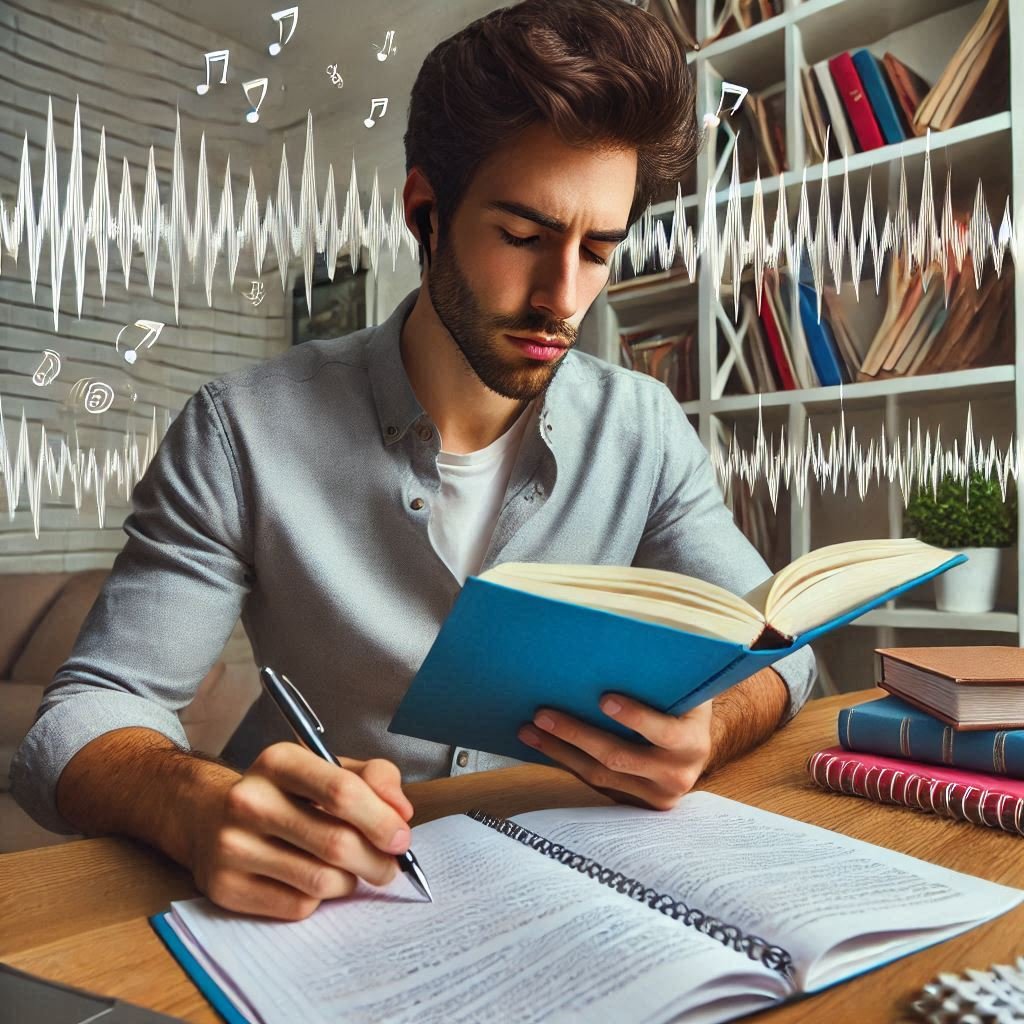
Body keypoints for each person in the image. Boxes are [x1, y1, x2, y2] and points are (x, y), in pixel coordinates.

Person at [11, 0, 815, 921]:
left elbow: (778, 647)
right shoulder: (239, 433)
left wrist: (710, 727)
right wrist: (194, 803)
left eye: (598, 250)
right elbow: (83, 717)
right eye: (523, 237)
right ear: (424, 212)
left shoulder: (646, 427)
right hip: (316, 912)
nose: (563, 298)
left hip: (564, 895)